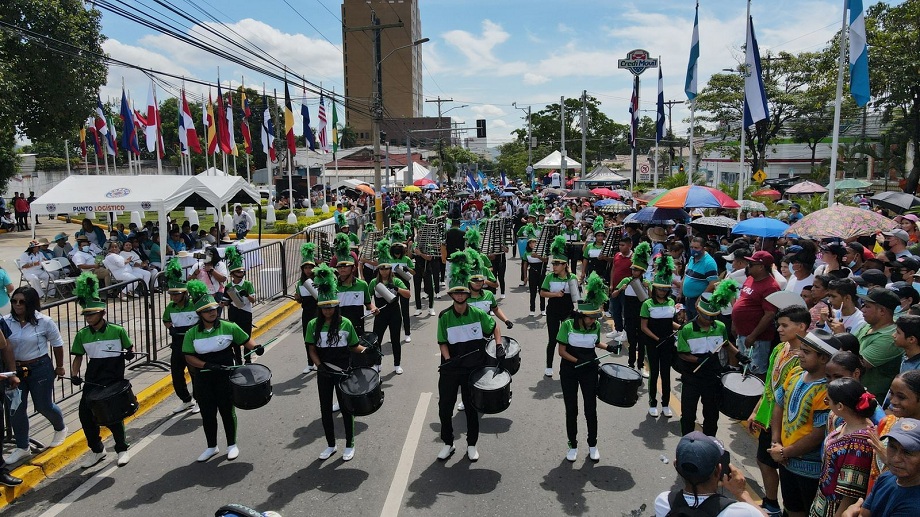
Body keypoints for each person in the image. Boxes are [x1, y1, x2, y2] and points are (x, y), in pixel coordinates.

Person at [182, 279, 264, 463]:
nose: (212, 312)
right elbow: (189, 357)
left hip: (226, 375)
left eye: (214, 309)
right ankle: (212, 446)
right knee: (208, 413)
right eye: (207, 310)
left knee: (227, 411)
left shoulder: (229, 326)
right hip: (204, 378)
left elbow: (246, 341)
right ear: (200, 314)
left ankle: (232, 444)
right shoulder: (192, 333)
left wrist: (256, 347)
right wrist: (206, 366)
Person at [436, 251, 501, 462]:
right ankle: (448, 443)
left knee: (471, 408)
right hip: (451, 368)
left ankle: (472, 445)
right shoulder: (445, 317)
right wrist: (447, 359)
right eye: (457, 293)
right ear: (452, 295)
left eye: (463, 293)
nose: (461, 296)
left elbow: (494, 328)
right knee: (444, 408)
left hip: (473, 368)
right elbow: (442, 341)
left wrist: (498, 345)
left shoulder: (478, 314)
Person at [306, 264, 375, 461]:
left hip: (344, 371)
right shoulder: (312, 325)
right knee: (325, 409)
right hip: (324, 372)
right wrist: (320, 367)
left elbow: (354, 346)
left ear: (337, 307)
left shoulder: (345, 323)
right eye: (324, 307)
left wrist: (368, 351)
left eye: (331, 307)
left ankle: (350, 444)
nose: (328, 310)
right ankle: (330, 445)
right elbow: (311, 349)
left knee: (346, 408)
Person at [747, 305, 810, 517]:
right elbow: (769, 386)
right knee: (764, 461)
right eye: (779, 325)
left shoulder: (805, 358)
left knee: (785, 468)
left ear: (802, 327)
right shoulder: (779, 349)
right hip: (769, 416)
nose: (779, 330)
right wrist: (756, 410)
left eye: (785, 325)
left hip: (788, 424)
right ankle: (771, 502)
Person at [70, 273, 135, 468]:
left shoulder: (117, 330)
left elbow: (129, 349)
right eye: (86, 315)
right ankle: (97, 450)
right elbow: (78, 356)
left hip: (113, 377)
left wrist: (129, 354)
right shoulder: (82, 334)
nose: (88, 318)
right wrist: (75, 374)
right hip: (92, 379)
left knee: (113, 415)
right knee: (85, 415)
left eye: (92, 314)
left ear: (102, 313)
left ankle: (122, 448)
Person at [769, 331, 834, 517]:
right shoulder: (795, 372)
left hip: (809, 470)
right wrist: (776, 442)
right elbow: (779, 405)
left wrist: (784, 452)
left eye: (806, 352)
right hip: (784, 460)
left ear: (823, 358)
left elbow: (818, 433)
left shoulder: (826, 390)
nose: (799, 354)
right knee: (792, 508)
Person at [2, 287, 67, 466]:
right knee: (16, 408)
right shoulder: (5, 322)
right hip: (15, 370)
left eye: (22, 301)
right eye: (14, 301)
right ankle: (23, 446)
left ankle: (60, 428)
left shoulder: (44, 321)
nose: (17, 305)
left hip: (40, 367)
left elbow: (57, 344)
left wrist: (60, 366)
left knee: (43, 405)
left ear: (31, 303)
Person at [557, 272, 614, 462]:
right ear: (581, 315)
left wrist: (610, 347)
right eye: (590, 317)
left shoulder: (595, 326)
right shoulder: (567, 325)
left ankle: (592, 444)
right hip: (569, 370)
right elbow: (562, 352)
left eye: (595, 317)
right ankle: (572, 444)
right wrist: (576, 361)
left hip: (589, 370)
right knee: (571, 409)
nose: (593, 320)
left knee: (591, 408)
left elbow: (596, 343)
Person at [654, 432, 766, 516]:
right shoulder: (741, 512)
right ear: (718, 470)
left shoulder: (664, 502)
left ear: (676, 466)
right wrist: (741, 493)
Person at [809, 378, 877, 516]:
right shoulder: (846, 424)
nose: (826, 404)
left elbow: (851, 492)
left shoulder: (860, 442)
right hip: (823, 503)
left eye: (827, 401)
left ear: (840, 406)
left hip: (836, 509)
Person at [675, 293, 735, 437]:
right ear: (699, 311)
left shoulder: (720, 327)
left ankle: (710, 444)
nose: (711, 320)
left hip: (712, 378)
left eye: (714, 317)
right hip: (692, 377)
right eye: (708, 316)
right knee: (688, 414)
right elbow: (682, 353)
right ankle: (687, 442)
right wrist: (697, 360)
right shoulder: (687, 329)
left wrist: (738, 354)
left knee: (711, 415)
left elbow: (726, 343)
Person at [841, 418, 920, 516]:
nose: (896, 458)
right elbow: (864, 514)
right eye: (892, 447)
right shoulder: (886, 478)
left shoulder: (915, 506)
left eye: (907, 452)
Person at [640, 255, 678, 418]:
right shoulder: (647, 304)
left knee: (666, 374)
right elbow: (644, 327)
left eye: (665, 289)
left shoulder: (671, 302)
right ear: (654, 288)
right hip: (653, 343)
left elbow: (671, 322)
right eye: (660, 289)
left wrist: (682, 327)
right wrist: (657, 339)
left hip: (668, 343)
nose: (662, 291)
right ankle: (653, 403)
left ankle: (665, 404)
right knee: (654, 372)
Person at [733, 251, 781, 376]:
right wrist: (735, 323)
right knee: (744, 368)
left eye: (751, 264)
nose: (748, 266)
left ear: (761, 267)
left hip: (757, 339)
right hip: (743, 334)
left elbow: (769, 314)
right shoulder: (750, 278)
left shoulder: (771, 286)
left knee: (755, 371)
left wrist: (753, 335)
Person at [161, 259, 199, 414]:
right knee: (176, 375)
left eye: (176, 294)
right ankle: (186, 400)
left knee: (195, 373)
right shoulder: (171, 307)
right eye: (171, 294)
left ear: (184, 293)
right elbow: (166, 320)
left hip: (193, 344)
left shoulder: (194, 304)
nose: (173, 297)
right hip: (177, 343)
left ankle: (198, 399)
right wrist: (171, 329)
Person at [541, 236, 578, 378]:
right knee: (553, 340)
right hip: (553, 312)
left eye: (557, 264)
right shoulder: (550, 277)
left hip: (568, 312)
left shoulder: (572, 278)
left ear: (564, 265)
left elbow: (577, 299)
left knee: (568, 340)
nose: (554, 266)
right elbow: (542, 293)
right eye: (553, 263)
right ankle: (549, 366)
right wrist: (555, 294)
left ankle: (566, 366)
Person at [855, 287, 901, 400]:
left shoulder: (890, 337)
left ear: (882, 311)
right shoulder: (867, 326)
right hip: (856, 393)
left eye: (867, 306)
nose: (862, 310)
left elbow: (859, 364)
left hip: (871, 400)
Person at [614, 242, 652, 377]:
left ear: (642, 272)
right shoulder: (626, 280)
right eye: (632, 269)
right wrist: (620, 289)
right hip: (629, 316)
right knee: (632, 341)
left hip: (642, 317)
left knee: (642, 342)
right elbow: (613, 295)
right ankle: (631, 363)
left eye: (636, 270)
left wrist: (649, 288)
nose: (633, 272)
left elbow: (651, 301)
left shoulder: (646, 283)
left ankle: (641, 365)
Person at [368, 255, 410, 374]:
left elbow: (408, 294)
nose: (384, 271)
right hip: (380, 314)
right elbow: (367, 298)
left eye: (387, 269)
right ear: (379, 270)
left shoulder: (396, 280)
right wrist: (372, 307)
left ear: (390, 270)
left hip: (394, 313)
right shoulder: (374, 282)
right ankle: (377, 363)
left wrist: (396, 288)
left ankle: (397, 364)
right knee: (377, 340)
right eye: (382, 269)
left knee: (395, 340)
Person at [222, 247, 255, 365]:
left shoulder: (247, 284)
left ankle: (248, 359)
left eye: (242, 271)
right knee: (235, 337)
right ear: (232, 274)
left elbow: (253, 300)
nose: (241, 274)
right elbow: (225, 301)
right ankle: (238, 360)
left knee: (246, 336)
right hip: (234, 313)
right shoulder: (229, 286)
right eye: (238, 272)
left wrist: (247, 295)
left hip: (246, 313)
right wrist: (224, 303)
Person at [683, 236, 720, 321]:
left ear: (703, 248)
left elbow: (713, 283)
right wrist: (681, 291)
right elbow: (687, 275)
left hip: (698, 301)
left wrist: (700, 299)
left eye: (696, 248)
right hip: (688, 299)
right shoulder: (692, 258)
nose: (693, 249)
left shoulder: (709, 263)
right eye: (691, 247)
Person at [295, 244, 319, 374]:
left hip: (319, 312)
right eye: (306, 268)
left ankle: (321, 361)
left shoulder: (319, 280)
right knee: (308, 338)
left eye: (310, 267)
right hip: (307, 313)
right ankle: (310, 363)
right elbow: (300, 300)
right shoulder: (300, 283)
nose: (308, 270)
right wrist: (298, 298)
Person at [607, 236, 633, 342]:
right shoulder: (617, 255)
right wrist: (612, 284)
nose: (620, 247)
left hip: (627, 290)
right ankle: (618, 329)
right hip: (615, 288)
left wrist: (623, 287)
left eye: (623, 245)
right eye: (620, 245)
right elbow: (613, 270)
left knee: (625, 312)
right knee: (615, 309)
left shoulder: (634, 258)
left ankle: (626, 332)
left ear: (630, 245)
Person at [524, 238, 547, 317]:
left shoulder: (542, 251)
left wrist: (537, 256)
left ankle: (543, 309)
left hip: (541, 272)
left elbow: (545, 260)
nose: (532, 244)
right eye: (530, 243)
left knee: (542, 291)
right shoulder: (526, 253)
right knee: (532, 292)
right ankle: (532, 309)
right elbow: (525, 265)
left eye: (534, 242)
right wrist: (525, 276)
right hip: (532, 272)